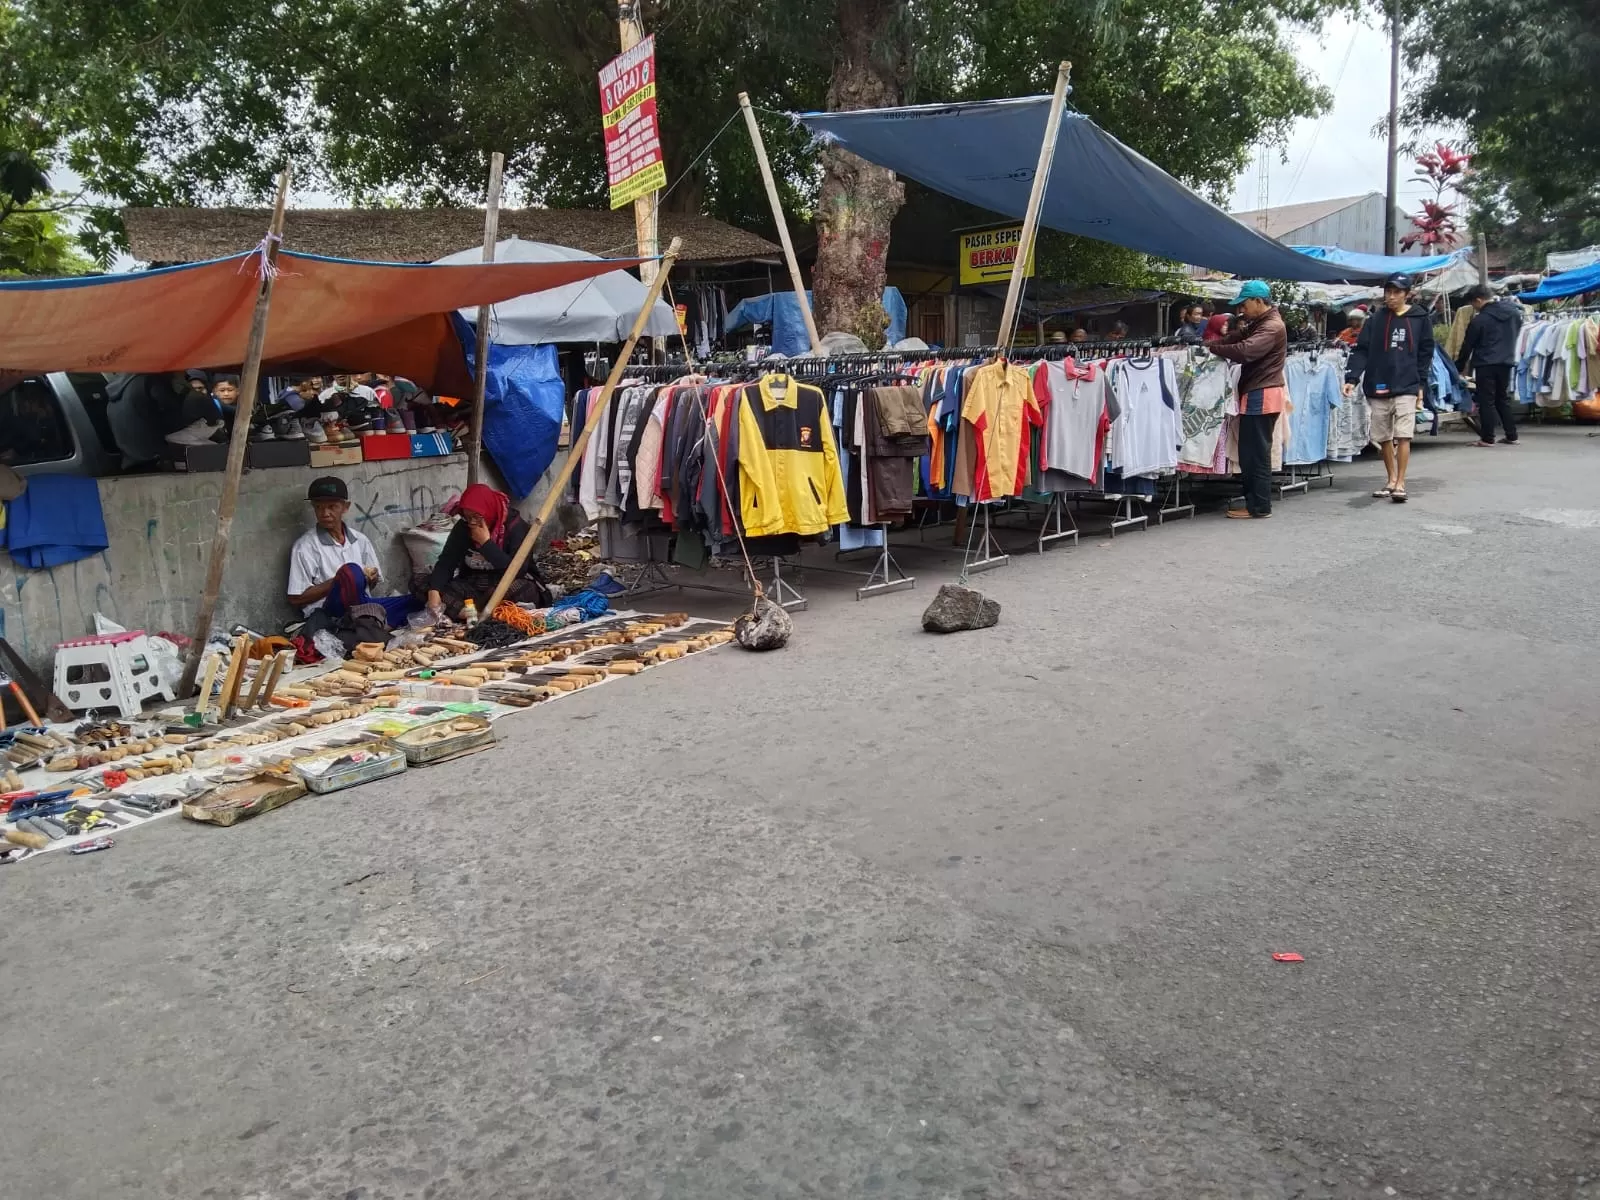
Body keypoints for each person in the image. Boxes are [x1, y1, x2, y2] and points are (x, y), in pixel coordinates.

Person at [1344, 273, 1434, 503]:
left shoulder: (1420, 318)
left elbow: (1425, 352)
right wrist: (1352, 378)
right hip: (1378, 382)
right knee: (1383, 436)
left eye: (1397, 292)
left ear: (1407, 294)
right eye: (1388, 292)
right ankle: (1391, 479)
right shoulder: (1375, 320)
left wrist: (1421, 383)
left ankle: (1401, 483)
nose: (1391, 297)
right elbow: (1361, 350)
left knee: (1403, 435)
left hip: (1407, 383)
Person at [1206, 280, 1288, 520]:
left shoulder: (1271, 326)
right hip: (1258, 391)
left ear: (1258, 301)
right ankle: (1256, 503)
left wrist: (1213, 350)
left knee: (1255, 453)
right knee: (1251, 451)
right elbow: (1235, 338)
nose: (1241, 310)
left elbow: (1245, 350)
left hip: (1262, 394)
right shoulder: (1260, 323)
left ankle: (1259, 507)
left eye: (1244, 304)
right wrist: (1208, 344)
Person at [421, 483, 551, 620]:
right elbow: (446, 563)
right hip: (473, 587)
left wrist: (486, 544)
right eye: (468, 517)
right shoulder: (463, 527)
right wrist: (434, 590)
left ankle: (472, 611)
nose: (472, 522)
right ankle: (469, 613)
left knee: (522, 588)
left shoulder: (515, 527)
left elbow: (517, 571)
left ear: (489, 512)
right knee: (422, 582)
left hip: (504, 586)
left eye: (477, 517)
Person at [287, 477, 408, 623]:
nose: (325, 513)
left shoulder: (360, 540)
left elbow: (370, 586)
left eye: (332, 506)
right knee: (351, 570)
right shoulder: (304, 546)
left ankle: (368, 618)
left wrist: (371, 579)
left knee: (417, 601)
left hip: (362, 605)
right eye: (318, 507)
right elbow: (295, 598)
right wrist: (339, 581)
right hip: (329, 612)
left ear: (345, 507)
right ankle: (368, 620)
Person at [1455, 284, 1523, 446]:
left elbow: (1468, 345)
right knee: (1502, 398)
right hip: (1506, 361)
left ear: (1478, 300)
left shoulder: (1480, 320)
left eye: (1473, 304)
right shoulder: (1513, 313)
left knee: (1486, 401)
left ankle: (1487, 438)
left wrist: (1458, 367)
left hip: (1485, 363)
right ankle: (1512, 435)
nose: (1474, 308)